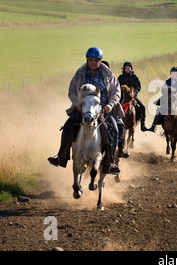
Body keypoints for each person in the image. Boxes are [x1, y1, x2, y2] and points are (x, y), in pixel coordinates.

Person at [47, 47, 122, 175]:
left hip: (103, 109)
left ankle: (110, 162)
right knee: (69, 125)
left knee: (114, 129)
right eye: (91, 60)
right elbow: (71, 91)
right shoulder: (80, 73)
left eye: (96, 60)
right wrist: (77, 104)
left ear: (100, 60)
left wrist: (110, 105)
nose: (93, 62)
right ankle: (61, 156)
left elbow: (116, 91)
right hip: (83, 109)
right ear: (87, 60)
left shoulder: (108, 74)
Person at [117, 61, 147, 132]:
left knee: (143, 107)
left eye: (129, 67)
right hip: (122, 97)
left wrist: (134, 93)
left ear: (131, 68)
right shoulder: (120, 77)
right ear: (124, 69)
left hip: (132, 97)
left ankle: (143, 125)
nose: (127, 69)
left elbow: (138, 87)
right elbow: (117, 86)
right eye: (126, 68)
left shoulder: (134, 77)